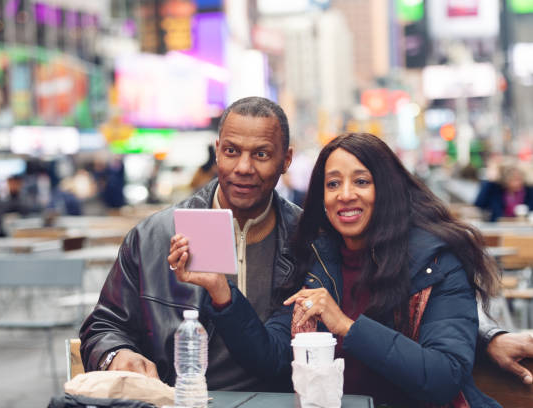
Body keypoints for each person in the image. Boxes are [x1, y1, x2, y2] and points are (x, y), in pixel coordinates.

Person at [169, 133, 504, 406]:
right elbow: (271, 360)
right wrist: (221, 292)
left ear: (386, 190)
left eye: (361, 181)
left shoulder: (435, 262)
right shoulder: (316, 257)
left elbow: (443, 379)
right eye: (332, 184)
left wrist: (346, 325)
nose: (345, 195)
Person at [79, 96, 299, 391]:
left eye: (261, 154)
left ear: (286, 160)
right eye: (232, 151)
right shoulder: (153, 237)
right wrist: (117, 355)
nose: (244, 167)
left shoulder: (307, 239)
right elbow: (103, 326)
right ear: (218, 151)